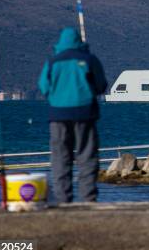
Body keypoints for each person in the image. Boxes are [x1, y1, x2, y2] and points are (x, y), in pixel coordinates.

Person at [38, 27, 107, 203]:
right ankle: (88, 198)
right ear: (80, 41)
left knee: (60, 158)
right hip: (85, 114)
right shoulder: (90, 59)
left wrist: (58, 97)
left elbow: (44, 87)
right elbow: (101, 86)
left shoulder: (53, 61)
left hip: (58, 116)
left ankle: (63, 199)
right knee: (87, 156)